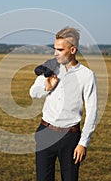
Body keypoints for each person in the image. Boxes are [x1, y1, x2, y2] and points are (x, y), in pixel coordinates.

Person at [30, 27, 98, 181]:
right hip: (45, 133)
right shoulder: (50, 68)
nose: (55, 53)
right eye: (54, 49)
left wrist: (83, 143)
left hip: (70, 139)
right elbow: (33, 93)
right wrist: (47, 87)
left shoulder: (87, 76)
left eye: (60, 49)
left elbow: (92, 112)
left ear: (73, 49)